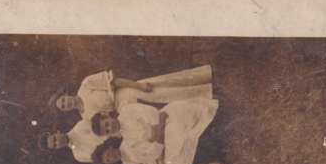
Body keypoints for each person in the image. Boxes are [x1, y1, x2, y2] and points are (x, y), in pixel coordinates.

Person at [52, 66, 213, 118]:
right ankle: (208, 95)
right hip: (127, 111)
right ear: (66, 111)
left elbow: (114, 81)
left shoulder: (86, 85)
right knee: (168, 105)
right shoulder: (86, 117)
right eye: (64, 106)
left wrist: (138, 86)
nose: (67, 103)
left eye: (63, 100)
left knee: (166, 89)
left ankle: (206, 78)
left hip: (128, 93)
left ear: (65, 95)